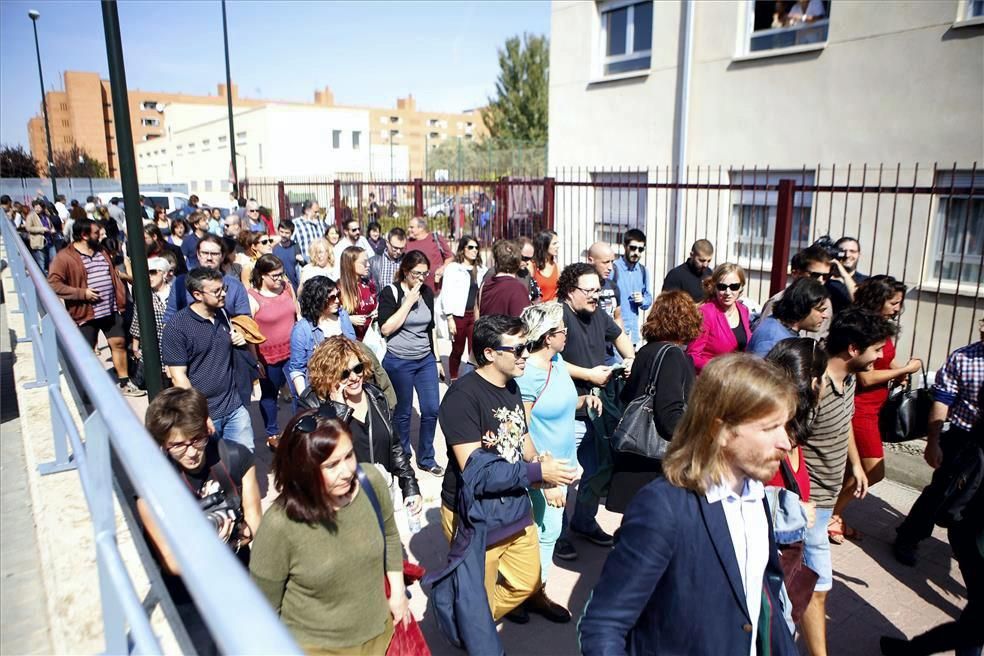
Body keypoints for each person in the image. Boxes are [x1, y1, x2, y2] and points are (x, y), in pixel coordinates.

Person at [578, 354, 798, 656]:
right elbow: (604, 625)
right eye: (769, 428)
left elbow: (762, 593)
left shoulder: (755, 495)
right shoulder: (665, 507)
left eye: (784, 426)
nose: (786, 442)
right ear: (720, 431)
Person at [431, 314, 576, 649]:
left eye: (527, 345)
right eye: (518, 348)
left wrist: (544, 471)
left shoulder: (511, 384)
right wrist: (538, 475)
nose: (526, 353)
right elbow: (477, 473)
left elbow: (520, 439)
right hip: (473, 515)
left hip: (512, 504)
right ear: (489, 354)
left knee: (527, 582)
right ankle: (471, 622)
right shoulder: (461, 398)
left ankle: (469, 617)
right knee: (477, 608)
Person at [249, 411, 408, 654]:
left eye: (349, 456)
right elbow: (263, 609)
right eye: (331, 465)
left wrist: (398, 594)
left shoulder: (370, 482)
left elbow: (390, 535)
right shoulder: (278, 525)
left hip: (382, 636)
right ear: (303, 469)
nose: (347, 471)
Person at [799, 308, 896, 656]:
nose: (879, 358)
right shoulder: (815, 386)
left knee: (803, 583)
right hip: (807, 504)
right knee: (818, 586)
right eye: (875, 350)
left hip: (825, 503)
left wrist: (856, 465)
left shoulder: (850, 379)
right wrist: (801, 497)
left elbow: (845, 424)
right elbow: (788, 444)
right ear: (853, 349)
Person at [139, 387, 262, 656]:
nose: (192, 452)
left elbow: (255, 520)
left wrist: (238, 536)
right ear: (163, 444)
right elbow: (171, 561)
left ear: (207, 429)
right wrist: (215, 545)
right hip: (189, 596)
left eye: (197, 440)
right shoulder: (153, 485)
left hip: (237, 575)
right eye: (178, 445)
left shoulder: (236, 457)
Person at [516, 303, 601, 622]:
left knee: (544, 530)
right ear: (549, 336)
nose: (568, 333)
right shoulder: (529, 376)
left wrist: (584, 400)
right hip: (541, 469)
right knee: (542, 530)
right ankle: (527, 595)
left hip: (562, 467)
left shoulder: (558, 362)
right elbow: (520, 428)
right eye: (563, 329)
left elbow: (562, 403)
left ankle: (531, 591)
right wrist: (543, 475)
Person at [554, 262, 636, 560]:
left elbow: (621, 339)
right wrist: (588, 375)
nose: (595, 296)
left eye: (597, 290)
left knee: (598, 469)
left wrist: (630, 360)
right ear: (569, 291)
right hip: (565, 409)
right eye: (589, 291)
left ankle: (584, 522)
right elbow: (548, 361)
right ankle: (558, 536)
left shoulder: (597, 313)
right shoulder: (557, 315)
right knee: (562, 475)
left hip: (599, 408)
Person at [893, 317, 983, 567]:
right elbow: (942, 401)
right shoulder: (963, 359)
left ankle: (970, 545)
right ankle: (909, 536)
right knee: (940, 493)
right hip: (963, 440)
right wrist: (933, 442)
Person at [307, 336, 422, 524]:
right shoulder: (314, 404)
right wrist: (339, 410)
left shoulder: (375, 396)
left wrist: (409, 484)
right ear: (329, 375)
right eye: (344, 373)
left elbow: (394, 445)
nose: (354, 377)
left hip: (381, 489)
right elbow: (322, 453)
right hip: (344, 500)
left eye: (357, 368)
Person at [607, 291, 702, 512]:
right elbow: (669, 416)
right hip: (655, 465)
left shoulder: (646, 351)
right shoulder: (673, 356)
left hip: (634, 458)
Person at [837, 276, 921, 513]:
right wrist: (906, 370)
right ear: (878, 300)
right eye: (893, 303)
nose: (897, 309)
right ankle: (833, 514)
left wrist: (897, 370)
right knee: (874, 470)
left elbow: (886, 358)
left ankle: (834, 513)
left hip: (875, 407)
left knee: (852, 469)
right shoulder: (863, 328)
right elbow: (865, 377)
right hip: (860, 408)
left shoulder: (880, 327)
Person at [161, 267, 256, 452]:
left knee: (244, 460)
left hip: (235, 407)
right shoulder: (177, 327)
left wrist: (239, 340)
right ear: (197, 294)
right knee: (213, 471)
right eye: (216, 291)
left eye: (223, 289)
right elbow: (179, 378)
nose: (223, 295)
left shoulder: (222, 314)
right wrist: (200, 415)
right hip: (205, 414)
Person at [48, 217, 145, 397]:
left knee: (119, 343)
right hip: (85, 313)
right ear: (84, 235)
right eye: (96, 233)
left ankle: (124, 383)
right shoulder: (64, 257)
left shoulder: (101, 251)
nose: (101, 235)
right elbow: (53, 284)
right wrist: (81, 293)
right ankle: (89, 388)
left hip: (110, 309)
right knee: (87, 350)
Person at [378, 251, 444, 476]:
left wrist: (436, 359)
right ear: (405, 271)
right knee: (403, 412)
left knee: (431, 409)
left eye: (425, 273)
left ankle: (426, 457)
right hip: (399, 361)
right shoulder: (391, 292)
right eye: (417, 273)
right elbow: (386, 328)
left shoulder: (426, 292)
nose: (421, 278)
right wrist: (407, 303)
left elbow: (430, 328)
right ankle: (403, 456)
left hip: (425, 359)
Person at [763, 337, 827, 507]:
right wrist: (796, 514)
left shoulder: (793, 434)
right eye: (824, 378)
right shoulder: (767, 444)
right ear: (814, 384)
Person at [247, 254, 299, 450]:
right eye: (274, 275)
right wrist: (255, 360)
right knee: (270, 394)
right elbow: (250, 332)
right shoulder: (252, 297)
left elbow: (297, 311)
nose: (279, 279)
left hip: (292, 350)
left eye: (281, 274)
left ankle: (299, 428)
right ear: (262, 275)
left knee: (298, 390)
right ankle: (272, 433)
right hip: (268, 356)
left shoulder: (287, 287)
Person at [288, 276, 357, 402]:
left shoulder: (343, 316)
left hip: (349, 385)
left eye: (338, 295)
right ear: (317, 300)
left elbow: (354, 345)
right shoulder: (302, 329)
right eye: (332, 298)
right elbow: (297, 369)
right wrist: (306, 400)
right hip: (321, 393)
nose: (337, 301)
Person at [164, 235, 251, 324]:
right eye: (205, 253)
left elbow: (245, 319)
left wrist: (236, 332)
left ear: (222, 256)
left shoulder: (235, 286)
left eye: (214, 254)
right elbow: (169, 318)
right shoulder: (181, 283)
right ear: (198, 254)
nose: (209, 258)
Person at [757, 246, 838, 335]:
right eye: (815, 275)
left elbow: (823, 339)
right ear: (796, 273)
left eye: (826, 276)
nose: (820, 280)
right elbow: (765, 336)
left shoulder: (826, 303)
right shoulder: (778, 301)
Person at [687, 263, 752, 373]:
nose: (728, 292)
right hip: (713, 382)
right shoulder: (706, 313)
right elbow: (692, 356)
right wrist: (721, 369)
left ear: (741, 287)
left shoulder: (744, 310)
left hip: (739, 382)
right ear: (714, 287)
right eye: (722, 287)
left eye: (734, 287)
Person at [441, 235, 486, 380]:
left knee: (474, 349)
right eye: (471, 247)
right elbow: (446, 293)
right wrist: (449, 318)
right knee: (457, 349)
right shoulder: (453, 268)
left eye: (477, 248)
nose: (475, 251)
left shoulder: (481, 269)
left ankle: (472, 379)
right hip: (458, 315)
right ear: (463, 249)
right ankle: (454, 378)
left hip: (474, 315)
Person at [748, 277, 830, 357]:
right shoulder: (772, 339)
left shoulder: (782, 331)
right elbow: (758, 370)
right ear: (802, 307)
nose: (825, 316)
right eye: (821, 310)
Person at [129, 256, 171, 383]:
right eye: (147, 273)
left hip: (175, 345)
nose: (150, 276)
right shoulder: (144, 295)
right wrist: (135, 347)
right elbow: (137, 321)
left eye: (153, 272)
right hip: (154, 347)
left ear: (164, 274)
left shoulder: (175, 292)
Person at [611, 229, 653, 346]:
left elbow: (648, 298)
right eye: (633, 248)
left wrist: (642, 300)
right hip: (615, 331)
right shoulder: (614, 269)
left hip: (633, 333)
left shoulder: (643, 271)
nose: (636, 253)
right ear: (625, 246)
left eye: (640, 249)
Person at [586, 241, 624, 362]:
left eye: (612, 262)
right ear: (591, 260)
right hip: (588, 354)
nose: (610, 268)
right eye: (606, 262)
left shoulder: (613, 287)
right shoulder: (580, 287)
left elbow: (617, 317)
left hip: (609, 353)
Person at [478, 239, 532, 317]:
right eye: (524, 258)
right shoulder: (518, 288)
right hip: (506, 328)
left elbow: (477, 312)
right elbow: (522, 321)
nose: (528, 262)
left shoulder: (485, 285)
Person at [337, 246, 377, 341]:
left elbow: (374, 305)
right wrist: (349, 319)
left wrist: (376, 313)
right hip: (349, 341)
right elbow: (329, 318)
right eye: (364, 262)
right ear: (350, 264)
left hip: (370, 340)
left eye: (368, 261)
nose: (368, 265)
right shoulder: (338, 288)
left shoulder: (369, 284)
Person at [405, 215, 452, 293]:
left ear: (421, 228)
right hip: (414, 291)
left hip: (436, 289)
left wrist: (442, 268)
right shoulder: (408, 243)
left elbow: (449, 257)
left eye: (411, 227)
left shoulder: (436, 238)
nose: (409, 229)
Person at [662, 239, 714, 303]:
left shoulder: (709, 273)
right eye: (701, 260)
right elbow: (668, 305)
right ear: (692, 255)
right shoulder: (675, 275)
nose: (705, 265)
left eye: (709, 261)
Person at [827, 237, 868, 314]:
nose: (847, 255)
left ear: (859, 254)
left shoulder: (866, 281)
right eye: (842, 251)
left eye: (852, 251)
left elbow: (861, 303)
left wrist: (843, 273)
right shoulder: (824, 279)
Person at [368, 227, 406, 293]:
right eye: (395, 248)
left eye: (401, 248)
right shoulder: (373, 262)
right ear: (387, 243)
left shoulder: (408, 261)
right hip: (380, 301)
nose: (398, 251)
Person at [25, 199, 56, 272]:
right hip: (39, 241)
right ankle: (42, 278)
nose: (37, 209)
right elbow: (28, 228)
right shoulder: (31, 216)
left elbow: (50, 225)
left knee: (53, 259)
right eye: (35, 207)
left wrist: (52, 230)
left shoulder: (45, 215)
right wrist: (42, 229)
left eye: (39, 207)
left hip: (49, 240)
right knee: (41, 261)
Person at [271, 218, 302, 291]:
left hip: (294, 286)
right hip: (278, 286)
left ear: (291, 233)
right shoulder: (273, 247)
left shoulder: (295, 246)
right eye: (281, 232)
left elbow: (302, 265)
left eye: (287, 233)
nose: (284, 235)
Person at [531, 230, 560, 302]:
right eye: (554, 243)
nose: (558, 246)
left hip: (553, 310)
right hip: (537, 310)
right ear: (544, 245)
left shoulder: (557, 266)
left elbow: (559, 292)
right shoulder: (532, 266)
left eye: (557, 243)